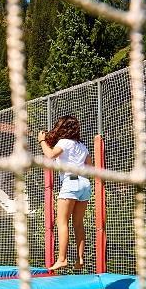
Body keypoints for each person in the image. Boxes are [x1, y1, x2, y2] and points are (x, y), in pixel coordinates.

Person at [40, 113, 90, 272]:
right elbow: (90, 166)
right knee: (78, 223)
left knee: (62, 221)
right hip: (84, 183)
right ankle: (80, 258)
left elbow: (49, 155)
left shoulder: (64, 142)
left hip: (71, 181)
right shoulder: (82, 146)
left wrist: (42, 141)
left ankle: (62, 259)